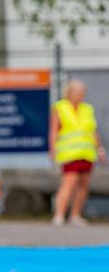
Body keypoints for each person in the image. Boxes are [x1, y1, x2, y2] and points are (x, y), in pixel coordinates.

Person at [49, 79, 107, 226]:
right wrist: (53, 150)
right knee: (69, 182)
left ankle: (75, 215)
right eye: (79, 92)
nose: (82, 95)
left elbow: (93, 131)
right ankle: (59, 215)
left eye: (83, 92)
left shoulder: (87, 109)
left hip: (86, 153)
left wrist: (100, 149)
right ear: (70, 92)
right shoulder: (60, 108)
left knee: (83, 184)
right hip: (69, 153)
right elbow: (54, 130)